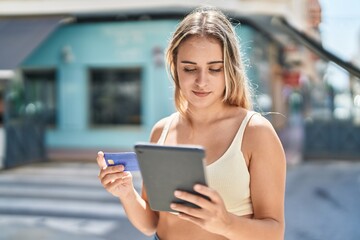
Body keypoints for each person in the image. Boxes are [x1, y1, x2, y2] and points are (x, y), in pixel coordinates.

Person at [97, 6, 286, 240]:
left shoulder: (255, 132)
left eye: (215, 69)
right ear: (175, 68)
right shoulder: (161, 131)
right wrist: (126, 193)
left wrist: (225, 223)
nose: (201, 81)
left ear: (230, 70)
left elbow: (274, 232)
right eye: (189, 68)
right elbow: (151, 224)